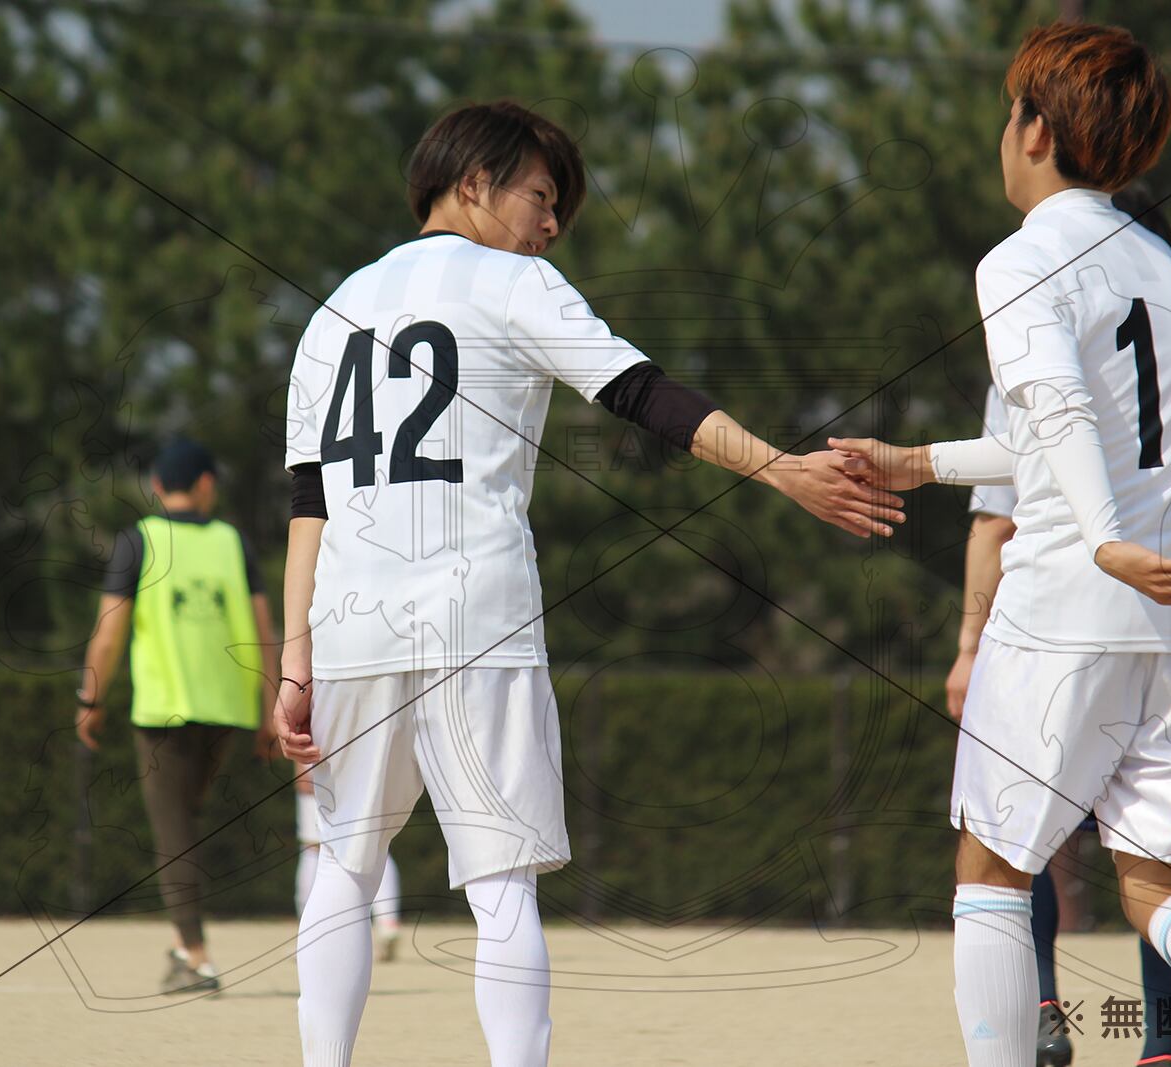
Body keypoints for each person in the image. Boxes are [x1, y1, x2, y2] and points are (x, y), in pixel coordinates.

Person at [274, 100, 903, 1067]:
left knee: (344, 870)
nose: (553, 222)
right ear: (473, 184)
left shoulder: (333, 310)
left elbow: (307, 502)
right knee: (502, 886)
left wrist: (295, 658)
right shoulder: (514, 281)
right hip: (476, 617)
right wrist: (780, 468)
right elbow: (642, 392)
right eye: (541, 195)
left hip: (350, 622)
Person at [831, 22, 1171, 1067]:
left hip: (1067, 604)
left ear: (1036, 130)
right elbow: (1081, 440)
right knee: (1158, 885)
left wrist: (1103, 541)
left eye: (1007, 114)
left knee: (990, 871)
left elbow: (1057, 412)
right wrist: (919, 462)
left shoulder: (1021, 256)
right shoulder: (1160, 266)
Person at [949, 189, 1171, 1067]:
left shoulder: (1038, 322)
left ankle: (1043, 1008)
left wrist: (969, 646)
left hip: (1065, 620)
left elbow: (995, 519)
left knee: (1005, 853)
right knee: (1162, 871)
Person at [75, 437, 278, 994]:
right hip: (228, 708)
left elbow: (109, 633)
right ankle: (184, 944)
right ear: (207, 484)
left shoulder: (138, 539)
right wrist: (270, 711)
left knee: (174, 833)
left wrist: (90, 699)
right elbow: (265, 633)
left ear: (157, 487)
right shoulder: (233, 542)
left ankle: (196, 957)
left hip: (165, 709)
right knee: (184, 821)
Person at [294, 769, 403, 962]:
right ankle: (388, 921)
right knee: (375, 845)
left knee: (314, 848)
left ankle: (311, 934)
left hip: (323, 776)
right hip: (368, 775)